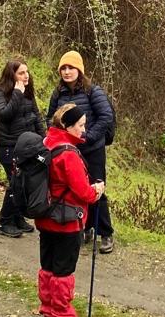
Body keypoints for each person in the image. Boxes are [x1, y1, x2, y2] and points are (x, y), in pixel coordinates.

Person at [35, 102, 103, 317]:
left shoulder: (46, 143)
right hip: (67, 222)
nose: (84, 130)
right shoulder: (68, 154)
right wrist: (97, 191)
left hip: (45, 218)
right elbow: (83, 192)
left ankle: (48, 314)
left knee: (48, 268)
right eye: (81, 125)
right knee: (63, 272)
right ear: (67, 125)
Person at [46, 52, 115, 254]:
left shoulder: (93, 91)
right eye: (63, 69)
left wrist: (89, 136)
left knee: (97, 189)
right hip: (69, 151)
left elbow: (106, 116)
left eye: (71, 68)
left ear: (79, 70)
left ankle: (105, 233)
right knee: (75, 190)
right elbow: (51, 118)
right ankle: (84, 227)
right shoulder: (58, 93)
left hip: (92, 150)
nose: (67, 72)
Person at [0, 56, 44, 238]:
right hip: (9, 145)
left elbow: (35, 114)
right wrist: (17, 94)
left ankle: (17, 217)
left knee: (25, 182)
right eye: (21, 73)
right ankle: (4, 221)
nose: (26, 76)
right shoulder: (0, 90)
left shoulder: (28, 89)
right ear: (12, 75)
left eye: (26, 72)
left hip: (28, 144)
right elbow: (4, 114)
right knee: (15, 183)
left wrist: (44, 139)